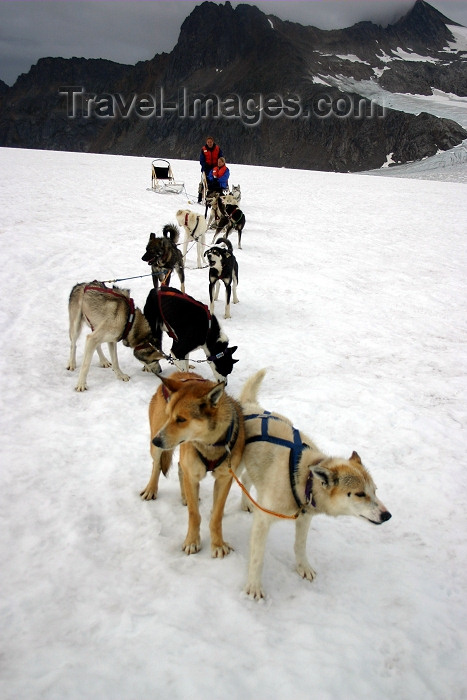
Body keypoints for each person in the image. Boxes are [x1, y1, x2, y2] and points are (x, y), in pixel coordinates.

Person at [198, 136, 223, 203]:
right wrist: (204, 167)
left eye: (211, 142)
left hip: (215, 168)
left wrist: (219, 166)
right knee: (203, 183)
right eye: (208, 142)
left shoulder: (217, 149)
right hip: (206, 169)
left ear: (213, 142)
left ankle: (218, 195)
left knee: (217, 181)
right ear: (206, 142)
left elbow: (221, 158)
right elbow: (201, 160)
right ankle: (200, 197)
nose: (209, 143)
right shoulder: (203, 149)